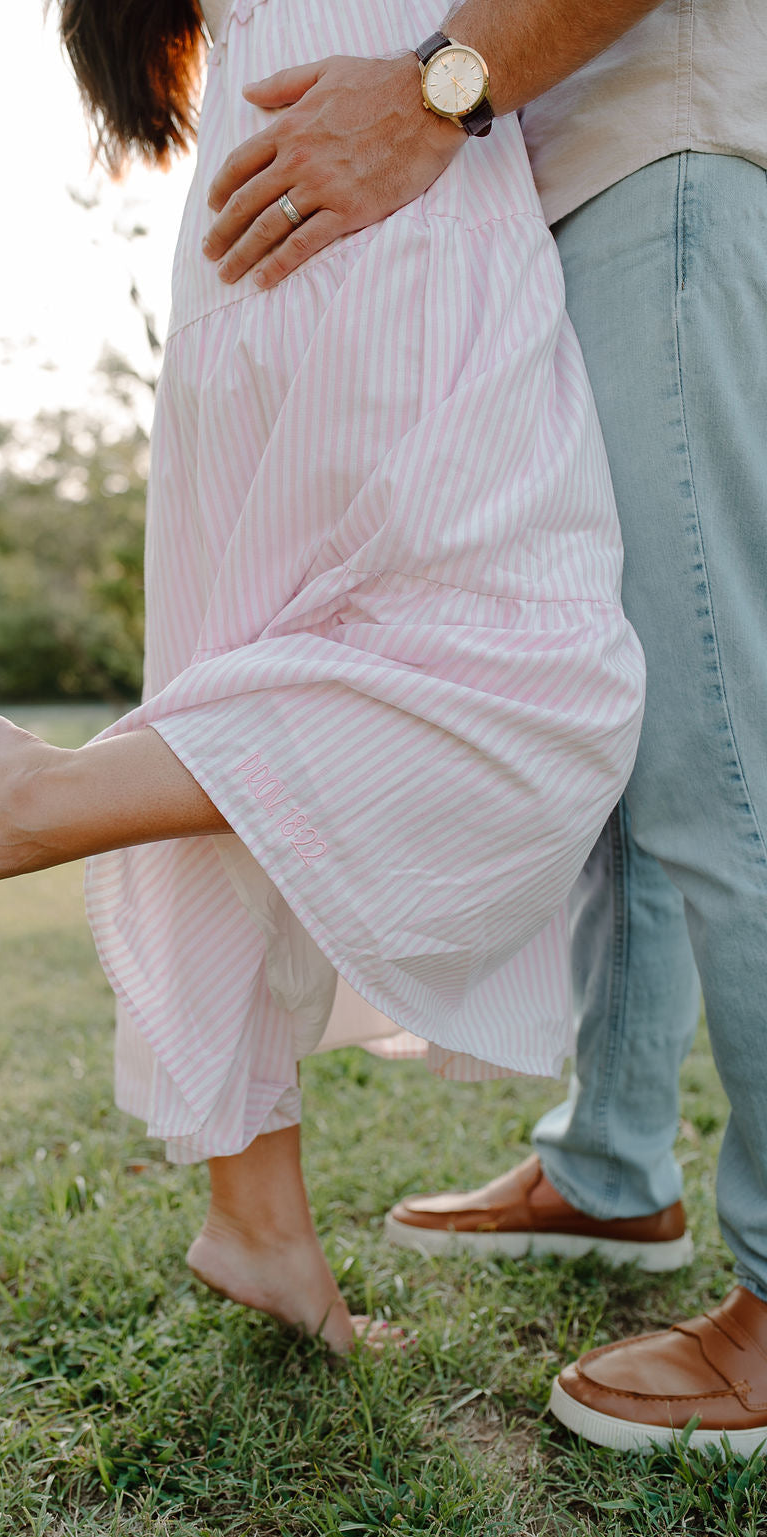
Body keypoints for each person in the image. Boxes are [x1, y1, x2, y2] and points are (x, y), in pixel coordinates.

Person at [0, 0, 644, 1357]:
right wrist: (438, 97)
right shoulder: (403, 114)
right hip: (382, 168)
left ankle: (260, 1221)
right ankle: (29, 798)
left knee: (231, 701)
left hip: (265, 205)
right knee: (540, 686)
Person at [198, 0, 767, 1448]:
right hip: (553, 180)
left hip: (662, 154)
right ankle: (614, 1161)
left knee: (722, 750)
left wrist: (438, 89)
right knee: (623, 726)